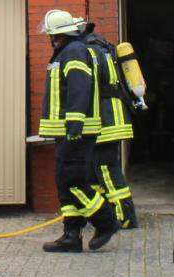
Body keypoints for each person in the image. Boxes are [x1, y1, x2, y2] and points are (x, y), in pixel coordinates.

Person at [38, 10, 119, 253]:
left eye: (51, 34)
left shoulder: (73, 51)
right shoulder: (68, 51)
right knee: (65, 183)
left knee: (74, 181)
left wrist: (74, 124)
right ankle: (71, 235)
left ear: (57, 34)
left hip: (76, 132)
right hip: (67, 132)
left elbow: (79, 89)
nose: (50, 38)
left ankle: (106, 221)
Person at [85, 26, 138, 229]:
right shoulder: (106, 49)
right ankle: (102, 214)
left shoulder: (89, 52)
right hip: (113, 117)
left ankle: (125, 216)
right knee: (96, 169)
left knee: (106, 168)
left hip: (105, 121)